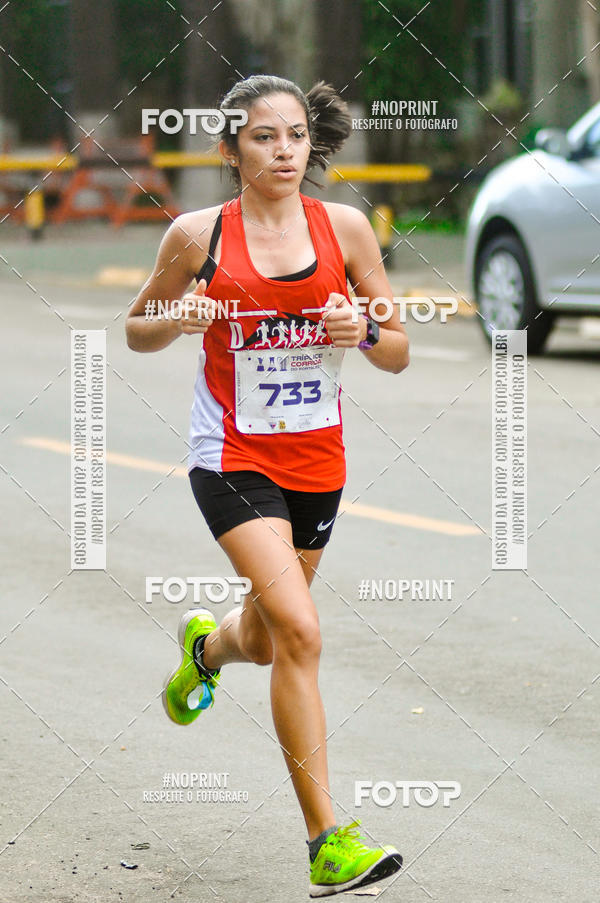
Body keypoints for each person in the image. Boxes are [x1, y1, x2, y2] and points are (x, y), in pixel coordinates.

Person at [126, 74, 409, 897]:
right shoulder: (196, 234)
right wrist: (178, 319)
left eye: (294, 136)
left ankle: (205, 649)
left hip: (318, 462)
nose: (284, 150)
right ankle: (328, 842)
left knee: (264, 636)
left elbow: (397, 347)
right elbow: (138, 327)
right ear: (230, 150)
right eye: (263, 137)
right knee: (302, 631)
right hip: (232, 460)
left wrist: (365, 331)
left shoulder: (346, 228)